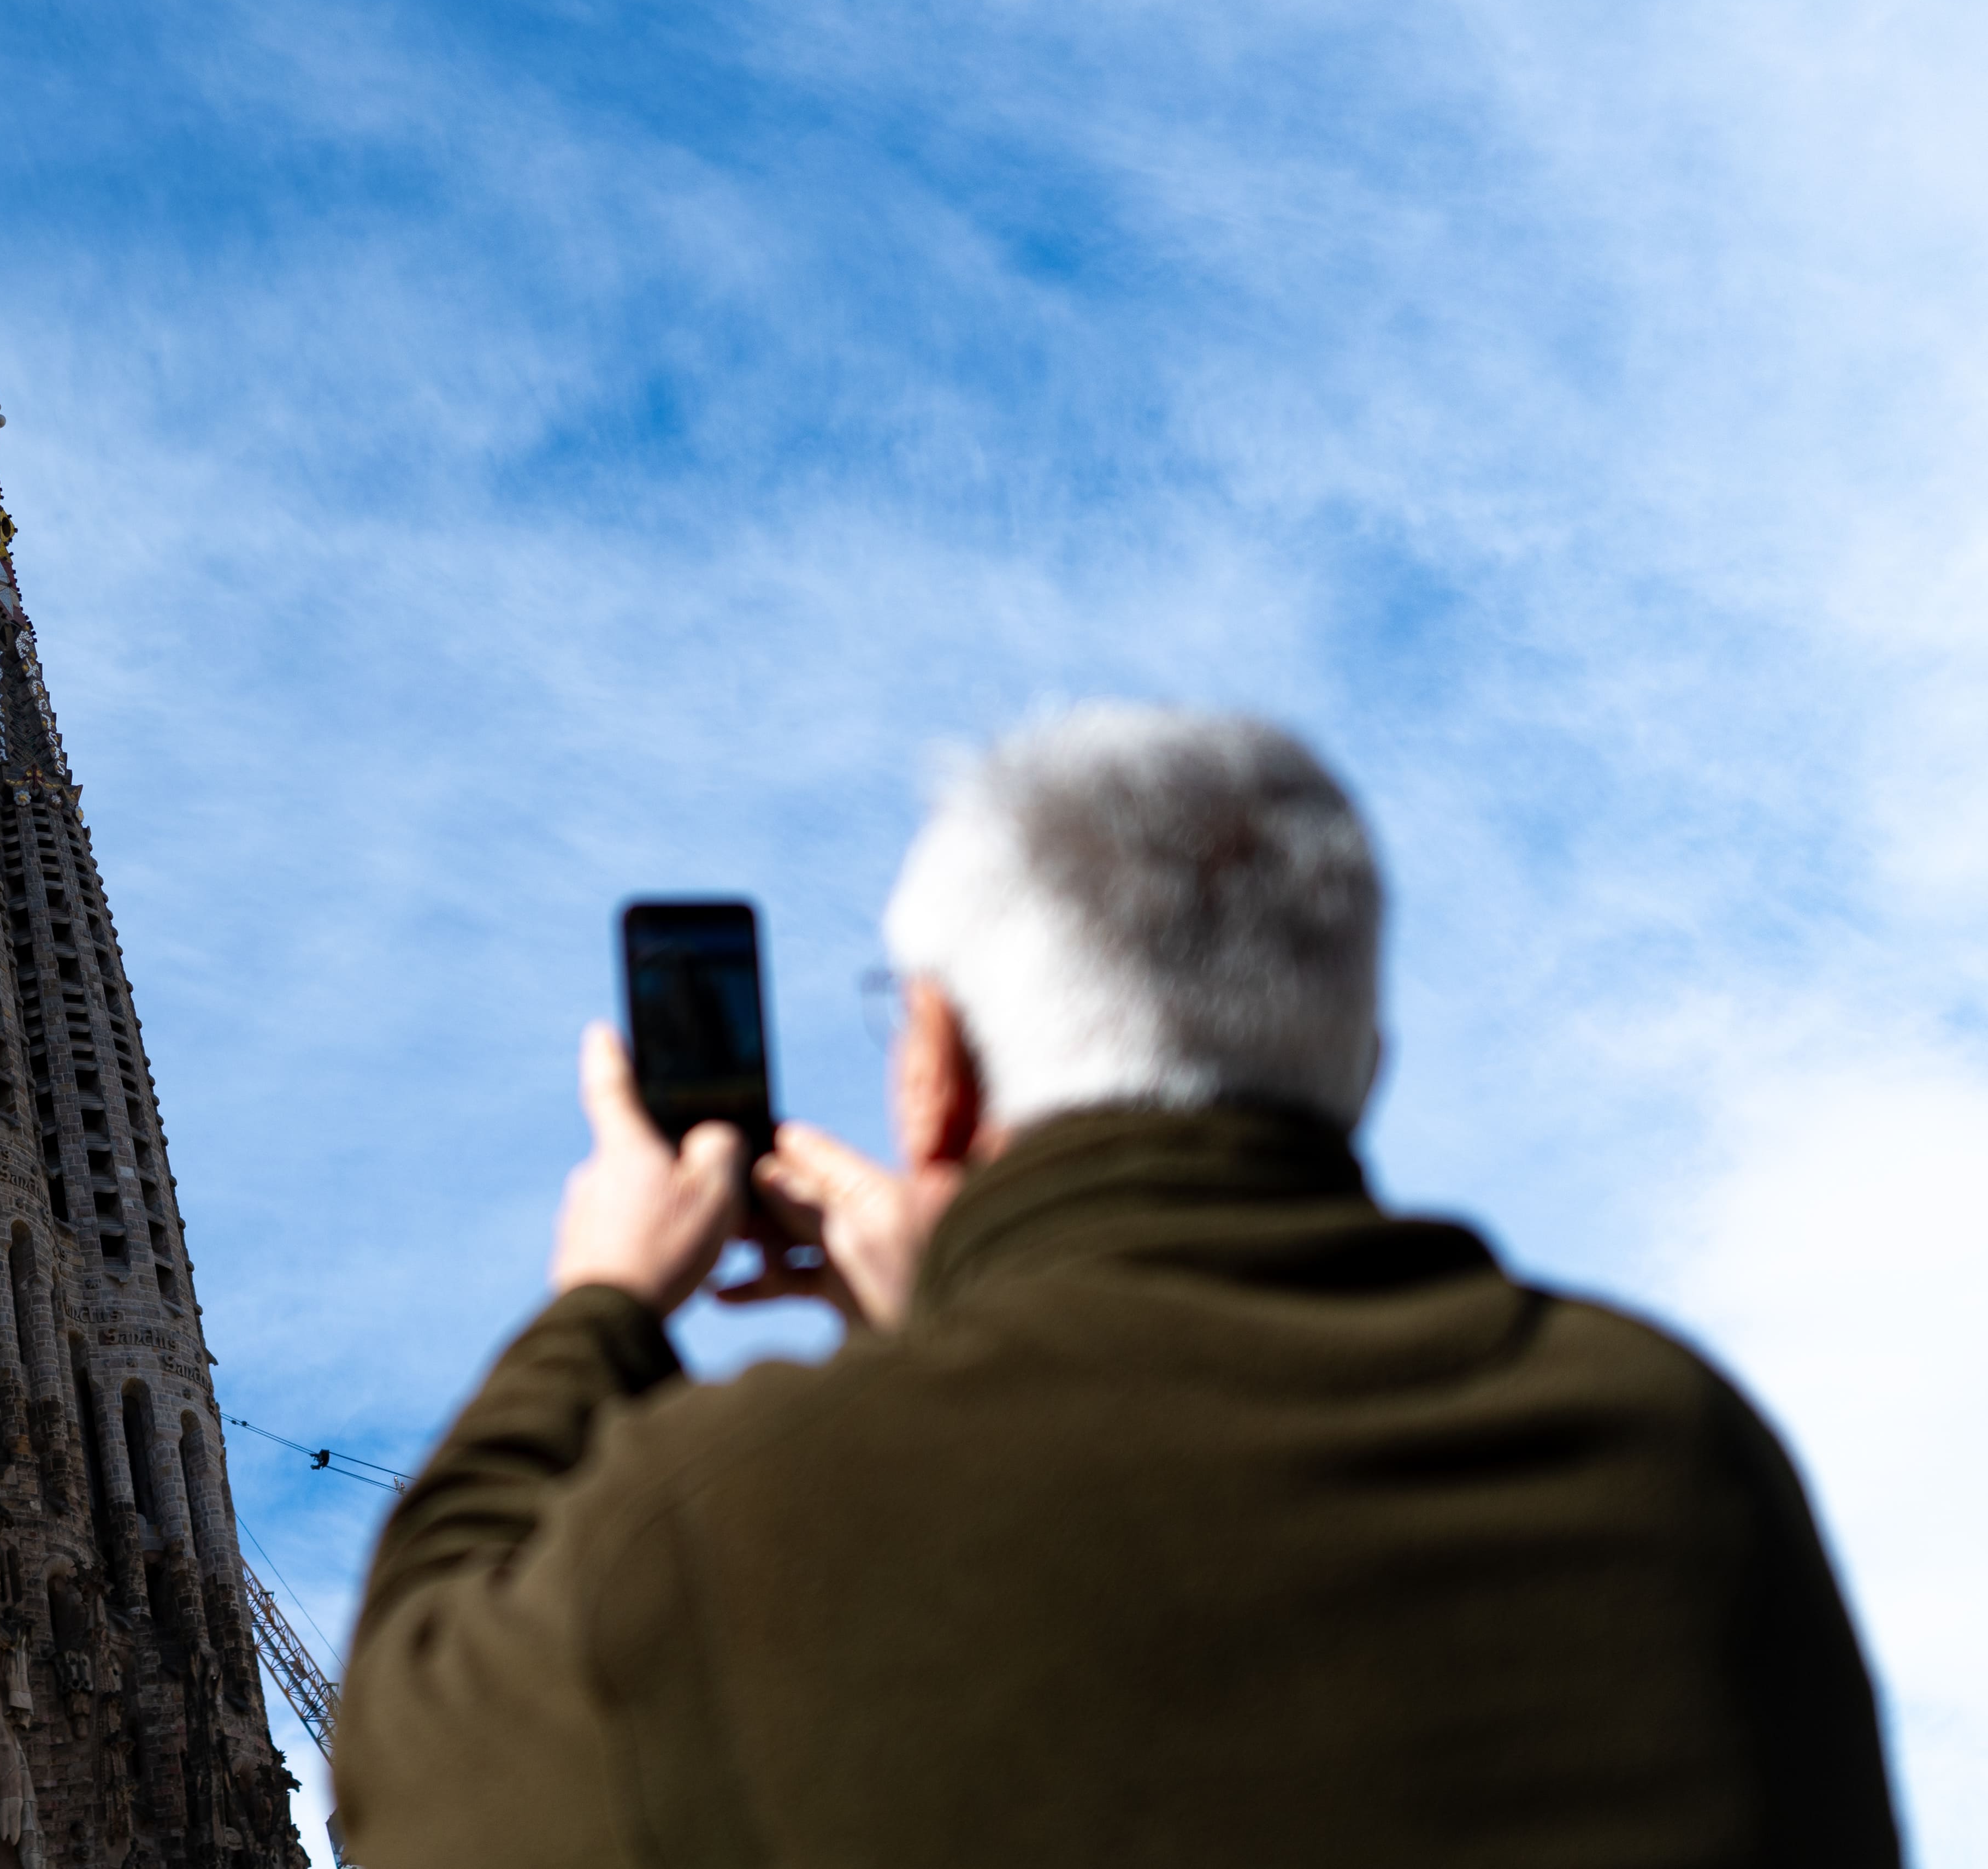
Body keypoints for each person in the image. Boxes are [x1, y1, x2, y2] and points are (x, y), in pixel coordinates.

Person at [333, 705, 1899, 1866]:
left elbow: (409, 1778)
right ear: (1361, 1064)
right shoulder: (1681, 1452)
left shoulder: (730, 1518)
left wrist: (598, 1305)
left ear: (936, 1067)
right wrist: (958, 1326)